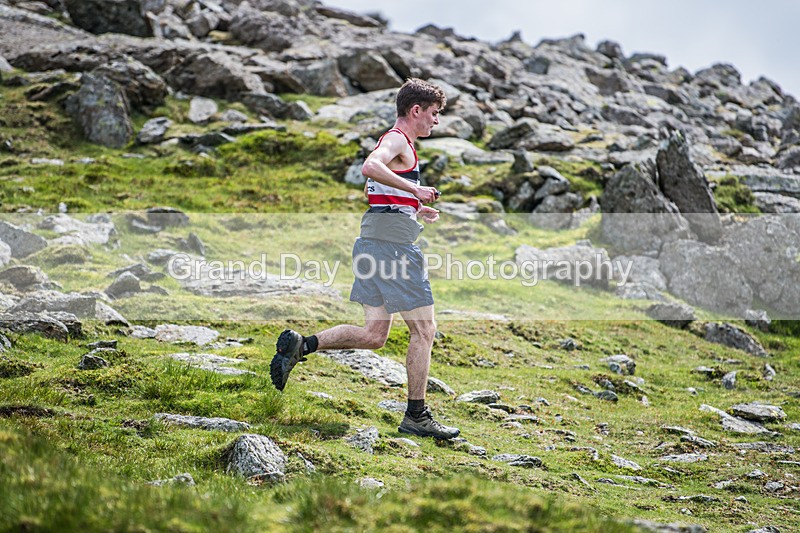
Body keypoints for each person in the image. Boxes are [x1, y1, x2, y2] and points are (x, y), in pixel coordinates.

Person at [270, 78, 460, 440]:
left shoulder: (398, 146)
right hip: (393, 250)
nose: (436, 121)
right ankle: (417, 416)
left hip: (372, 243)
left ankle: (301, 346)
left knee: (374, 335)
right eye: (434, 114)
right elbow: (370, 169)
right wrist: (416, 189)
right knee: (425, 330)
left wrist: (413, 208)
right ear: (416, 110)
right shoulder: (396, 140)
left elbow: (372, 191)